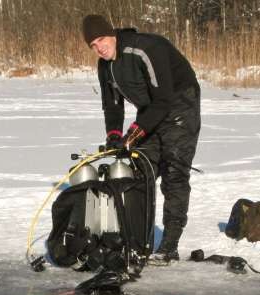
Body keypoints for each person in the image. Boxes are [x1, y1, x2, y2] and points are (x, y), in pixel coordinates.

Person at [82, 14, 201, 263]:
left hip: (179, 106)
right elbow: (112, 106)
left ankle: (169, 246)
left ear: (112, 34)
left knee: (173, 173)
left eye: (102, 39)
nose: (99, 48)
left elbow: (163, 99)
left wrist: (134, 133)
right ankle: (137, 241)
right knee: (140, 171)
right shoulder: (105, 66)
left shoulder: (145, 49)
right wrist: (115, 136)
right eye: (93, 45)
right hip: (150, 111)